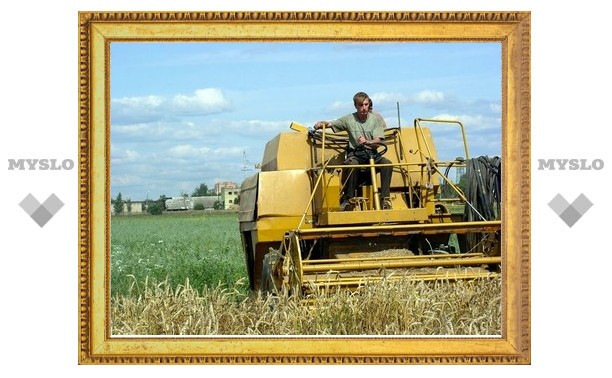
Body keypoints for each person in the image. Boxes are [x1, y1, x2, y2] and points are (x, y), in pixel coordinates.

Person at [314, 92, 393, 210]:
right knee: (352, 164)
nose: (364, 108)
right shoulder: (349, 119)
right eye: (361, 105)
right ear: (355, 106)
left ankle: (385, 200)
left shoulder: (376, 120)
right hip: (356, 154)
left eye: (366, 104)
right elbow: (331, 123)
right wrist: (322, 124)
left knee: (387, 164)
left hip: (372, 153)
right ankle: (348, 199)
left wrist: (367, 142)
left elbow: (377, 143)